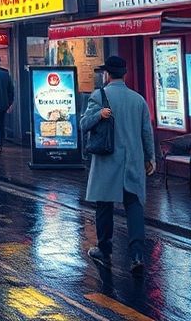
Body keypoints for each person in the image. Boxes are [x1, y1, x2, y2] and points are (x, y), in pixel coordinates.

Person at [80, 55, 154, 274]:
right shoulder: (138, 100)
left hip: (106, 160)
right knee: (134, 205)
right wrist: (150, 158)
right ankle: (137, 254)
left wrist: (99, 116)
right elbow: (146, 133)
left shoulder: (98, 96)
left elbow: (83, 124)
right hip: (132, 160)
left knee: (104, 205)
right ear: (125, 74)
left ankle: (104, 248)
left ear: (107, 74)